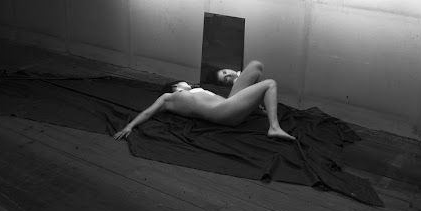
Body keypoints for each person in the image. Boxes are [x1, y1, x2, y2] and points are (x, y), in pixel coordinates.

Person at [113, 60, 295, 141]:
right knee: (270, 84)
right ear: (176, 86)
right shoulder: (169, 98)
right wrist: (130, 126)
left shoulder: (195, 90)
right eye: (183, 82)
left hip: (229, 104)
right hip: (224, 113)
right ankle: (273, 127)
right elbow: (148, 112)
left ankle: (255, 107)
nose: (187, 83)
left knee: (256, 66)